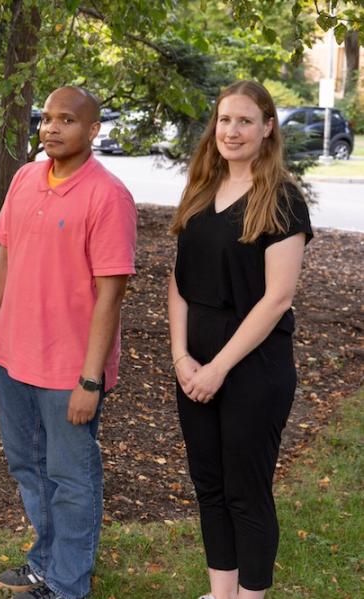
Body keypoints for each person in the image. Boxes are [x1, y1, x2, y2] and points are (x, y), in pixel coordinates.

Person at [0, 86, 137, 599]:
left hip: (69, 370)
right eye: (46, 119)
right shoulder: (24, 178)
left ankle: (68, 583)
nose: (51, 128)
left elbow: (111, 296)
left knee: (71, 477)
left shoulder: (108, 196)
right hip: (11, 359)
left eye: (66, 120)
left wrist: (91, 378)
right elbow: (4, 258)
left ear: (93, 130)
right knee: (28, 470)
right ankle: (45, 561)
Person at [168, 80, 312, 599]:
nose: (232, 130)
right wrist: (182, 357)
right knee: (210, 485)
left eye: (245, 120)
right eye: (225, 120)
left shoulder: (282, 200)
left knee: (246, 491)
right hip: (195, 360)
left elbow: (277, 298)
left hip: (254, 366)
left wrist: (217, 368)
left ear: (267, 128)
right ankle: (220, 592)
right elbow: (179, 281)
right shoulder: (201, 190)